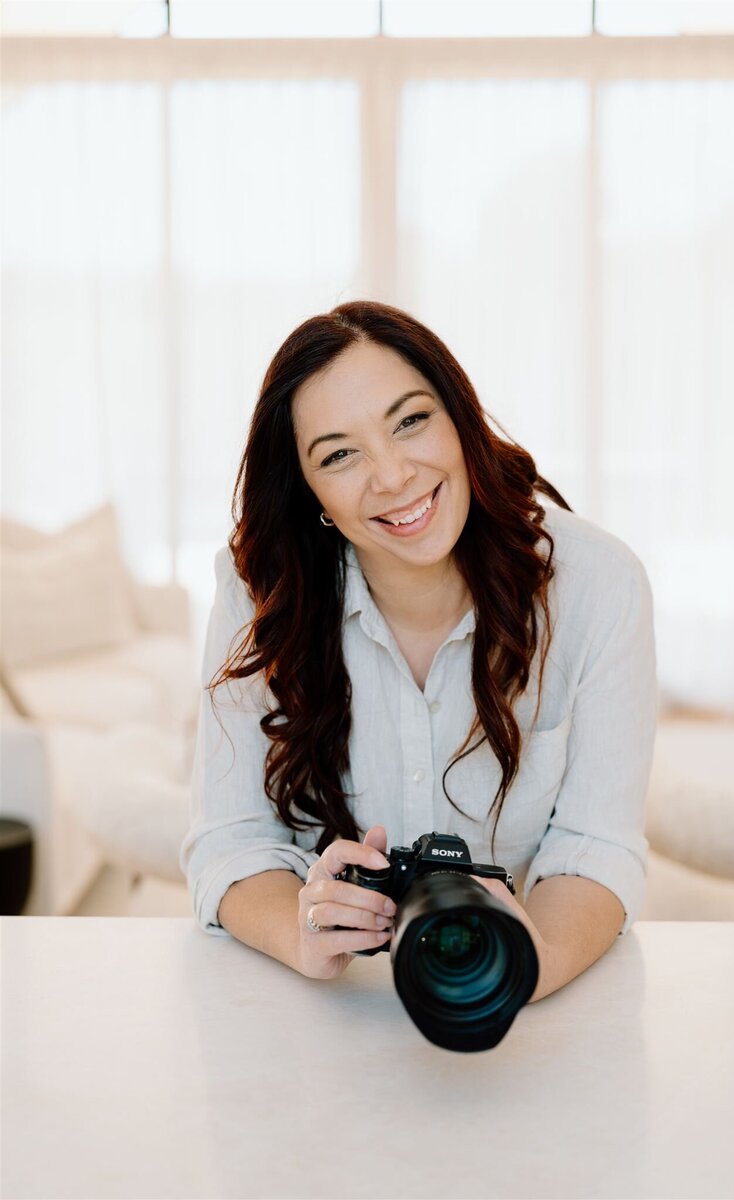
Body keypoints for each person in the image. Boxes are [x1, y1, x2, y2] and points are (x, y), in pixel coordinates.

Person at [179, 300, 658, 1003]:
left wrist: (521, 968)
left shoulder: (597, 586)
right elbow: (229, 841)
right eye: (339, 454)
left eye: (411, 421)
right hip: (329, 1008)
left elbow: (599, 845)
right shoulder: (261, 588)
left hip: (524, 1004)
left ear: (460, 419)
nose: (394, 475)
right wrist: (301, 931)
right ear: (311, 490)